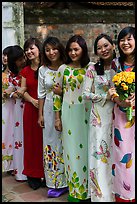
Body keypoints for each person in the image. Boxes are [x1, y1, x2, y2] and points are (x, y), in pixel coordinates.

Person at [53, 35, 92, 202]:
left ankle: (90, 191)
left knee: (88, 150)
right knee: (71, 152)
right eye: (70, 49)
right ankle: (76, 192)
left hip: (87, 114)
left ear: (83, 49)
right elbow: (56, 96)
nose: (73, 52)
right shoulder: (62, 69)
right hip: (68, 114)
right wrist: (57, 118)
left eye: (76, 49)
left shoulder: (91, 68)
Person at [82, 33, 116, 202]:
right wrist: (104, 98)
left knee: (115, 154)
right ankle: (100, 196)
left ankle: (116, 193)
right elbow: (85, 94)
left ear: (113, 46)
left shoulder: (121, 67)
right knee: (99, 155)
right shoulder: (92, 69)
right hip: (98, 117)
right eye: (99, 48)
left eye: (106, 45)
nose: (103, 50)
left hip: (118, 116)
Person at [38, 36, 68, 197]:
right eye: (47, 50)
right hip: (49, 110)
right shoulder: (43, 70)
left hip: (68, 108)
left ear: (60, 48)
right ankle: (55, 182)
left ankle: (70, 180)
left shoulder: (67, 67)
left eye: (54, 48)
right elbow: (41, 94)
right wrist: (40, 114)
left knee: (67, 143)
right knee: (51, 143)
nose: (51, 52)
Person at [109, 26, 135, 202]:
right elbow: (110, 91)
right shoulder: (115, 64)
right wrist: (122, 102)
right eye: (122, 40)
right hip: (121, 116)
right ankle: (125, 196)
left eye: (129, 39)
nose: (125, 43)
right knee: (123, 155)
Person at [19, 37, 45, 190]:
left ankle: (46, 173)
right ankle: (32, 175)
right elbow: (23, 91)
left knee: (45, 142)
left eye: (31, 48)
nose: (29, 52)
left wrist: (40, 104)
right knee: (31, 143)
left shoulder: (46, 67)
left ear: (39, 50)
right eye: (27, 49)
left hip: (46, 110)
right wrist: (33, 101)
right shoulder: (25, 71)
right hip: (30, 110)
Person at [7, 45, 27, 182]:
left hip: (29, 106)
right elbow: (8, 92)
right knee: (19, 138)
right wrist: (14, 93)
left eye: (22, 58)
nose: (22, 61)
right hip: (17, 110)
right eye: (18, 60)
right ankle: (20, 171)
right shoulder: (11, 76)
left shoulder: (28, 71)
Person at [2, 46, 15, 174]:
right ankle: (6, 165)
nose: (5, 58)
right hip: (4, 108)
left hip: (14, 106)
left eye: (7, 55)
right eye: (3, 55)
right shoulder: (2, 74)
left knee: (13, 133)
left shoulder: (15, 75)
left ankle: (14, 164)